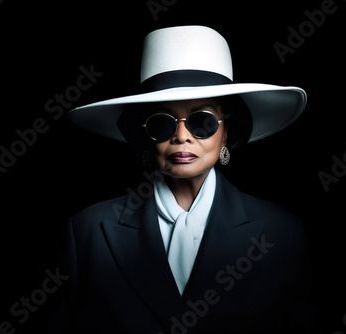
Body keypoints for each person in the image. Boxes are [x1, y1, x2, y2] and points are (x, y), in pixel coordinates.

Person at [50, 25, 315, 333]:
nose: (181, 137)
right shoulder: (87, 231)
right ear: (145, 136)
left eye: (202, 121)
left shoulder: (281, 232)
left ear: (227, 131)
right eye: (162, 123)